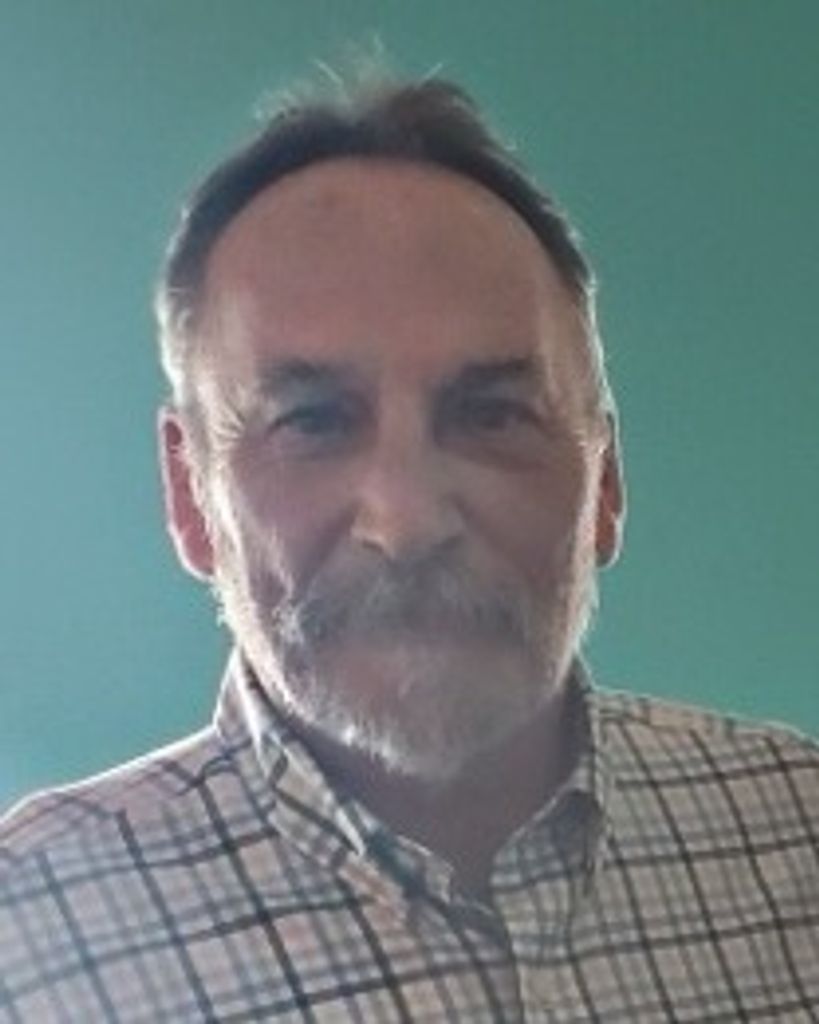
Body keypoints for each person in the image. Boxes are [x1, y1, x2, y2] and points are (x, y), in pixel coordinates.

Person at [1, 74, 817, 1022]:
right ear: (190, 496)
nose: (408, 520)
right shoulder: (28, 948)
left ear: (605, 481)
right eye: (311, 422)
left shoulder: (797, 828)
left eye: (492, 414)